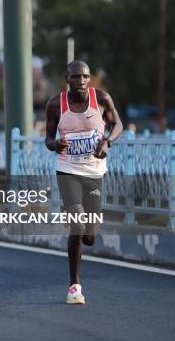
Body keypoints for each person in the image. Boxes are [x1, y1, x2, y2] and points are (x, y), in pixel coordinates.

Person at [45, 60, 122, 304]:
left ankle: (88, 233)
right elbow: (48, 138)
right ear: (66, 80)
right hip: (67, 169)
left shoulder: (101, 99)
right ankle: (74, 286)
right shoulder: (56, 104)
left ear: (90, 79)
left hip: (94, 172)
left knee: (89, 235)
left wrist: (107, 141)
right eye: (75, 77)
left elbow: (117, 124)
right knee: (77, 225)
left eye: (85, 77)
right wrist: (54, 144)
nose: (81, 82)